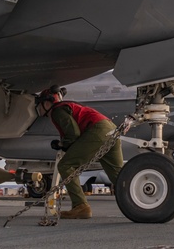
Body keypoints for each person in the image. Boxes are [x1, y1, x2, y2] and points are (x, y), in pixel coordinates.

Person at [35, 87, 124, 220]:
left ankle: (81, 207)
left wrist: (61, 145)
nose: (39, 110)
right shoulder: (69, 106)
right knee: (119, 176)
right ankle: (141, 203)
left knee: (65, 165)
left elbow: (73, 134)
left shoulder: (57, 110)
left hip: (98, 131)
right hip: (111, 129)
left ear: (47, 103)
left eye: (39, 106)